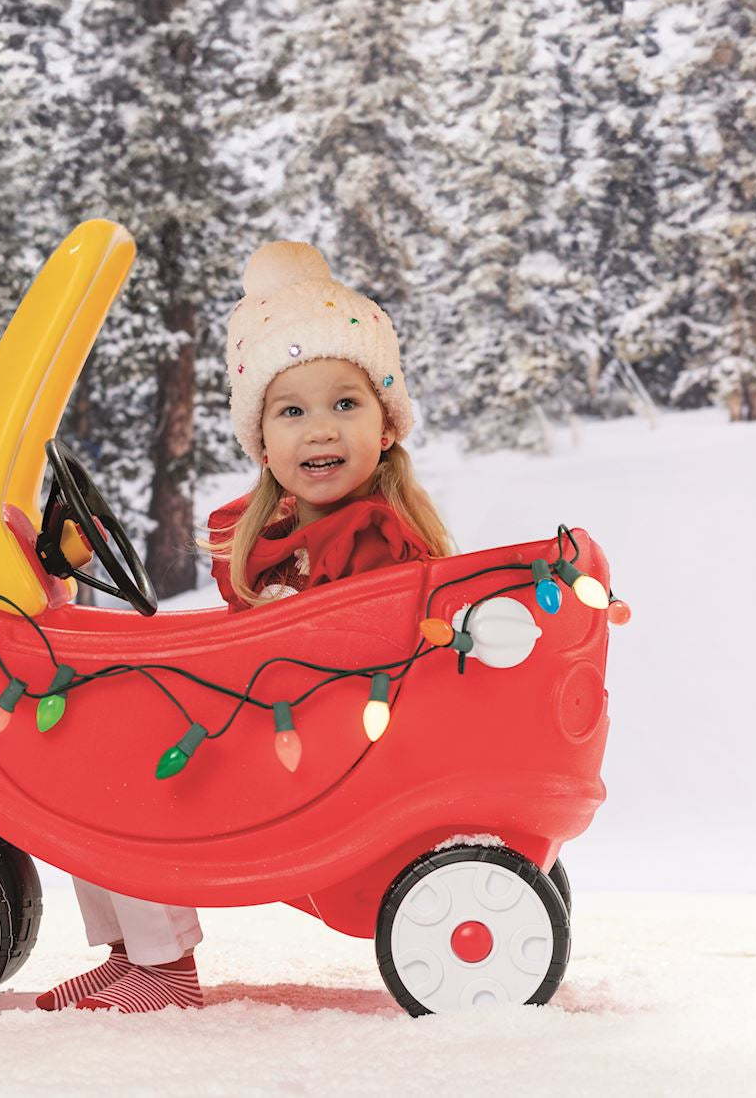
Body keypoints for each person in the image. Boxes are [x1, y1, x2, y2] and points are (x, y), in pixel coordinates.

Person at [36, 240, 452, 1015]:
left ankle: (163, 971)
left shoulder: (376, 537)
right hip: (272, 718)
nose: (319, 429)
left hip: (319, 749)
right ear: (262, 441)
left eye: (344, 403)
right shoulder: (270, 533)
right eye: (291, 411)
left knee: (106, 754)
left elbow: (344, 647)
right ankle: (134, 952)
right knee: (78, 739)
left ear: (386, 425)